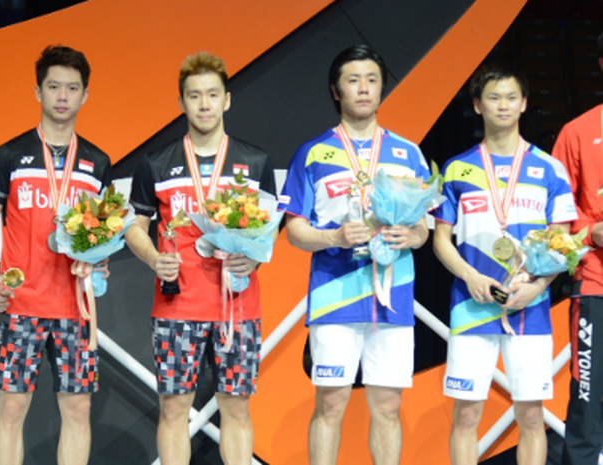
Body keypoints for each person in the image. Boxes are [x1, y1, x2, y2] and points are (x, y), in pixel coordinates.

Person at [279, 44, 430, 465]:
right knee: (331, 405)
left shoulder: (408, 153)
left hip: (393, 297)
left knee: (387, 407)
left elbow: (424, 229)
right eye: (353, 80)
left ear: (381, 88)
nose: (363, 89)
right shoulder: (312, 154)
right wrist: (336, 238)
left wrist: (410, 236)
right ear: (336, 90)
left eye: (372, 80)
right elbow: (294, 230)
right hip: (334, 295)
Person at [125, 51, 276, 465]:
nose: (204, 104)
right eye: (194, 96)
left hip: (238, 306)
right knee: (174, 408)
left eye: (212, 95)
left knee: (237, 410)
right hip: (177, 306)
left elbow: (270, 226)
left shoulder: (255, 162)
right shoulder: (156, 164)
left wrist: (254, 261)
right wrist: (155, 258)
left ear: (227, 100)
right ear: (181, 103)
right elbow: (134, 226)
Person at [432, 63, 577, 465]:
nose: (503, 106)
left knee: (531, 416)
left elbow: (561, 244)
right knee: (466, 414)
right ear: (477, 105)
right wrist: (469, 275)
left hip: (529, 309)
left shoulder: (550, 169)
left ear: (524, 104)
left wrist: (536, 287)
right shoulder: (456, 169)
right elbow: (440, 241)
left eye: (511, 97)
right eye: (493, 97)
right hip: (471, 305)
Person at [0, 45, 112, 465]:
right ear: (38, 92)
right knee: (12, 409)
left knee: (78, 410)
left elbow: (103, 232)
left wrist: (100, 262)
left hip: (76, 307)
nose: (62, 96)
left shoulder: (96, 162)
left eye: (72, 88)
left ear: (85, 95)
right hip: (21, 304)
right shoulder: (8, 155)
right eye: (54, 86)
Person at [552, 31, 603, 465]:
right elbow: (557, 223)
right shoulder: (577, 132)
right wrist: (591, 235)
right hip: (595, 287)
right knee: (587, 403)